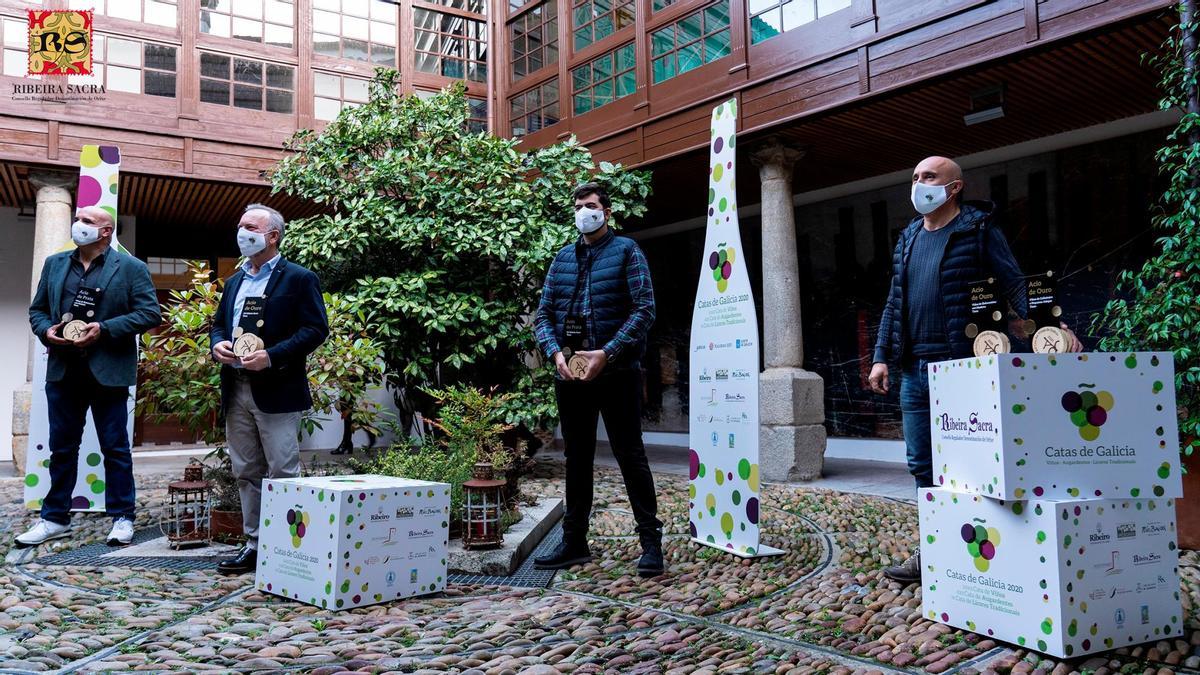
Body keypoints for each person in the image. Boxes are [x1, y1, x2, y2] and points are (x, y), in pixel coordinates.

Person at [868, 156, 1080, 584]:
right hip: (913, 369)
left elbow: (1013, 283)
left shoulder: (979, 230)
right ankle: (932, 551)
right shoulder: (907, 237)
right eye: (914, 177)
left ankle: (983, 554)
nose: (918, 184)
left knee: (971, 463)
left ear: (954, 188)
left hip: (962, 368)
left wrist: (1048, 325)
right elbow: (894, 301)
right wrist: (880, 356)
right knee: (921, 463)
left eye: (928, 177)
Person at [532, 182, 664, 577]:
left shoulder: (627, 251)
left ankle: (650, 543)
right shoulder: (561, 260)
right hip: (571, 375)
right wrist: (555, 351)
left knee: (630, 456)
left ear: (606, 211)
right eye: (578, 206)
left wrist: (607, 353)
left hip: (617, 372)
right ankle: (574, 542)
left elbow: (644, 310)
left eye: (590, 205)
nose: (583, 212)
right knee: (577, 459)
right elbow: (543, 314)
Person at [20, 206, 161, 547]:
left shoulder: (130, 268)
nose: (78, 224)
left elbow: (149, 312)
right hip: (64, 370)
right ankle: (54, 518)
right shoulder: (55, 264)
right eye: (78, 219)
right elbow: (37, 310)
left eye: (88, 221)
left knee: (115, 448)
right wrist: (45, 332)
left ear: (106, 232)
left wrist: (105, 329)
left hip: (108, 371)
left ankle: (123, 517)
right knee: (62, 448)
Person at [210, 204, 329, 575]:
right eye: (240, 225)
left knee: (283, 470)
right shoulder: (234, 281)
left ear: (272, 235)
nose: (241, 232)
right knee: (246, 470)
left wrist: (272, 356)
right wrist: (217, 345)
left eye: (250, 227)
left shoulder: (298, 278)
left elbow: (315, 329)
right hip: (236, 386)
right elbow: (217, 326)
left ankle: (289, 548)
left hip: (276, 388)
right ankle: (255, 545)